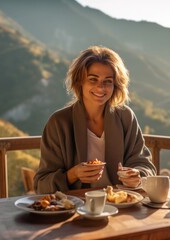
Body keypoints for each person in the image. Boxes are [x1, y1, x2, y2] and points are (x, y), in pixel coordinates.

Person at [34, 45, 156, 194]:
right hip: (78, 207)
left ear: (116, 85)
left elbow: (145, 165)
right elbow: (41, 184)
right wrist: (73, 175)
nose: (100, 88)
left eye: (108, 81)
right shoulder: (59, 123)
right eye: (93, 79)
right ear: (79, 82)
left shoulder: (126, 117)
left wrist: (138, 176)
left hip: (122, 203)